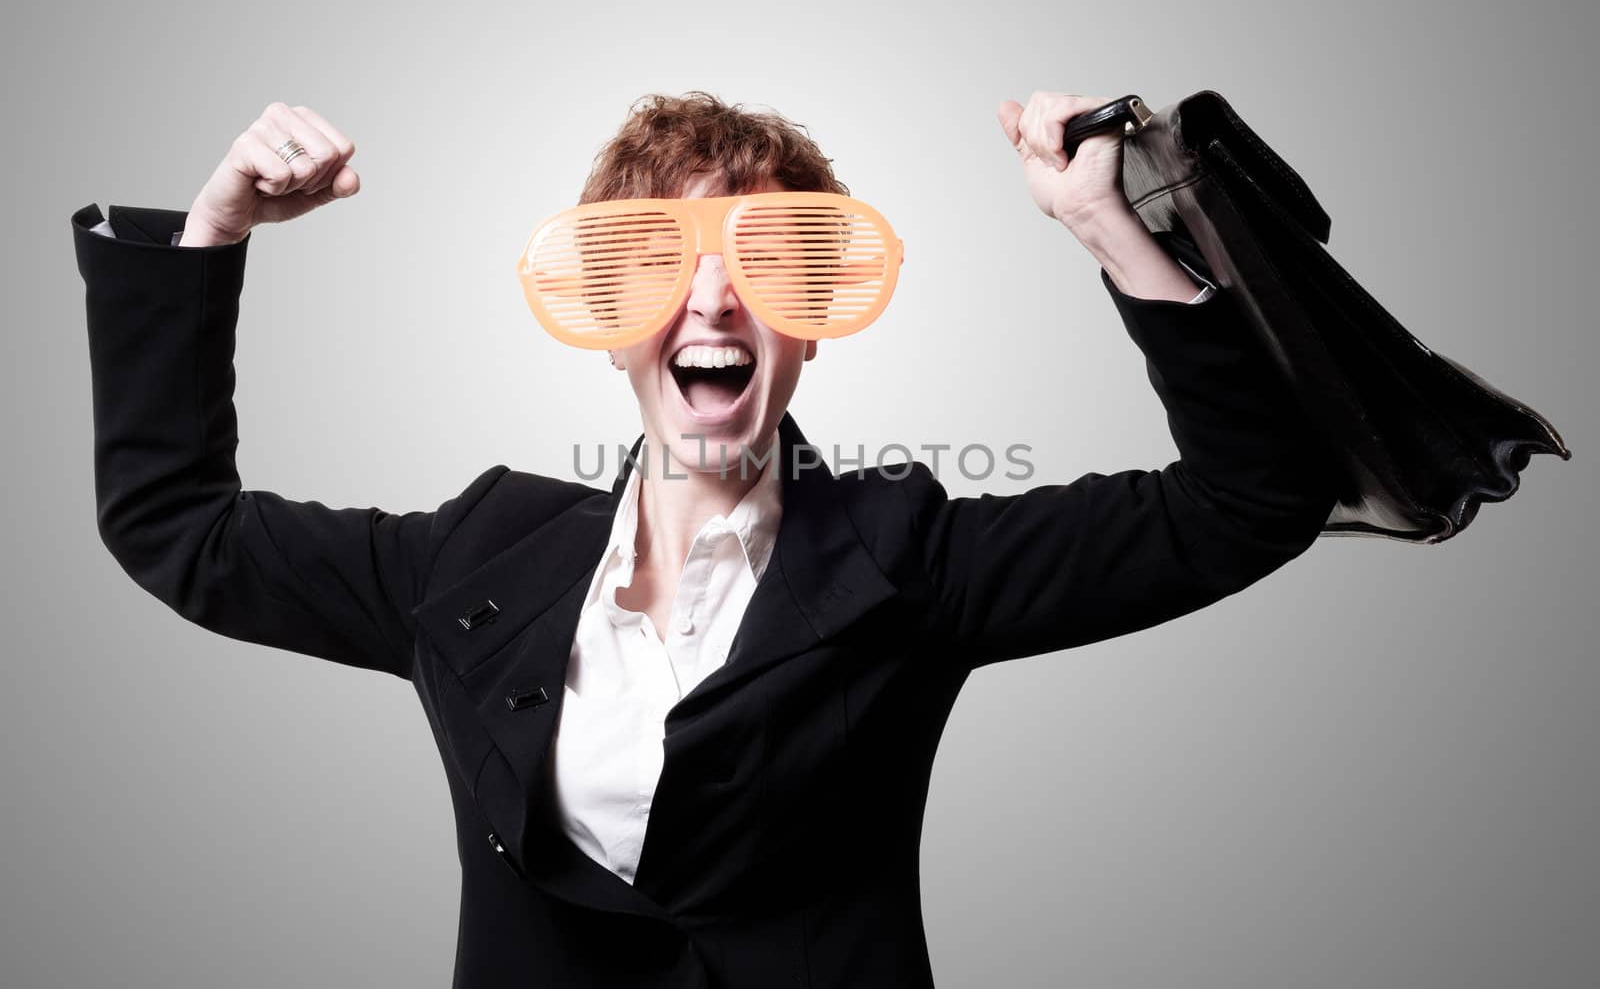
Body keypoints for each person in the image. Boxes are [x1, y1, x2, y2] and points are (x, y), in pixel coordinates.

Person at [71, 90, 1339, 987]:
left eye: (769, 257)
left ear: (818, 315)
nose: (716, 295)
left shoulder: (910, 559)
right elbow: (180, 528)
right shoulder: (474, 559)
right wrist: (213, 233)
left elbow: (1253, 500)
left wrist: (1108, 224)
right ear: (608, 314)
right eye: (658, 259)